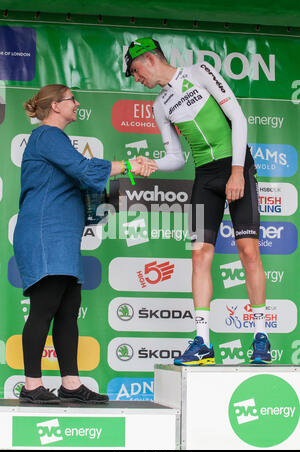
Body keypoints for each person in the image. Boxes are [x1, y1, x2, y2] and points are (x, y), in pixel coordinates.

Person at [124, 37, 272, 366]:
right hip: (205, 176)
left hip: (236, 165)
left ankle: (260, 334)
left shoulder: (200, 71)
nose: (137, 79)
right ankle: (202, 340)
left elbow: (239, 118)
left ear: (149, 59)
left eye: (135, 71)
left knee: (248, 250)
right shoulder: (159, 105)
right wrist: (151, 164)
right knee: (199, 254)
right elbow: (175, 158)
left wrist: (237, 172)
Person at [13, 84, 154, 404]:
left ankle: (70, 384)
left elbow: (81, 184)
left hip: (61, 235)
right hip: (44, 233)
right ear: (55, 107)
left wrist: (106, 199)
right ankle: (32, 386)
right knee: (44, 307)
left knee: (67, 309)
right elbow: (84, 170)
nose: (77, 104)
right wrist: (130, 165)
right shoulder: (47, 136)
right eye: (71, 99)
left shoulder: (58, 141)